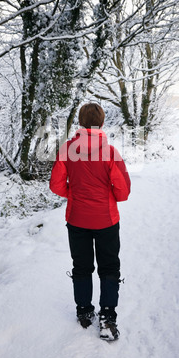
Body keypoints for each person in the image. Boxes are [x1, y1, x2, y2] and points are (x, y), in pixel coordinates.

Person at [49, 103, 131, 341]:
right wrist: (107, 197)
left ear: (80, 122)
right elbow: (123, 191)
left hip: (77, 220)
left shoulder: (67, 149)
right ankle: (107, 317)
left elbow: (55, 185)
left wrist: (73, 194)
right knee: (109, 267)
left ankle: (84, 312)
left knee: (82, 266)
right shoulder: (110, 152)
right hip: (106, 220)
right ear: (102, 123)